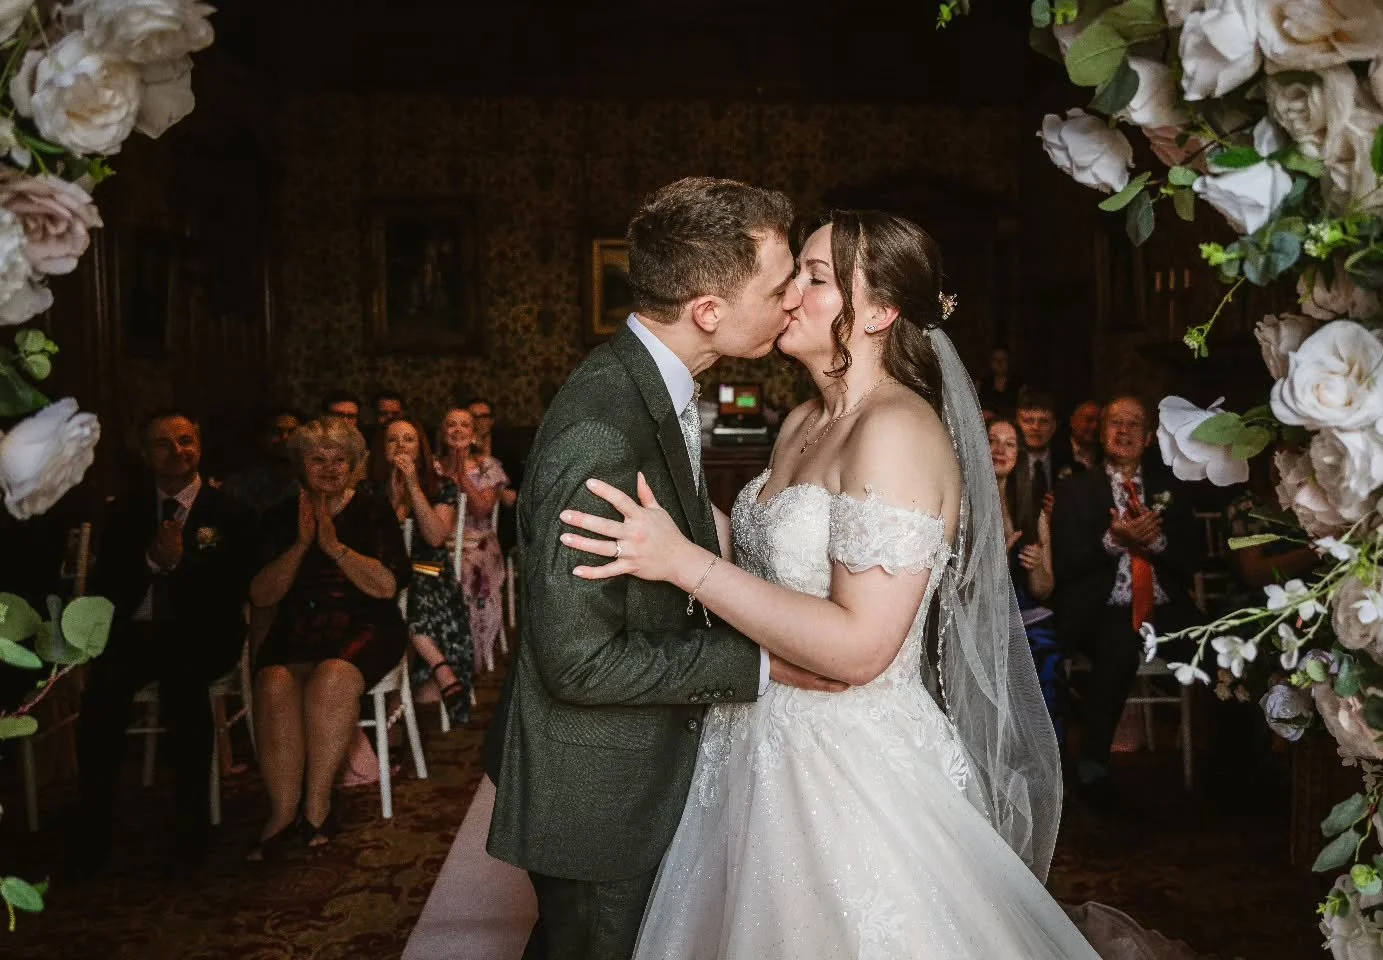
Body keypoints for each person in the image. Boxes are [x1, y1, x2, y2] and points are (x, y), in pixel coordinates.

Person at [559, 212, 1124, 957]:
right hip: (755, 738)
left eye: (816, 278)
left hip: (846, 767)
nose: (789, 292)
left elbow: (861, 647)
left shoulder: (895, 430)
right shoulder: (803, 420)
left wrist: (686, 563)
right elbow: (770, 559)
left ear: (882, 311)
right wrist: (678, 514)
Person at [482, 177, 843, 960]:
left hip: (638, 771)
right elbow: (578, 660)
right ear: (708, 310)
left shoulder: (647, 388)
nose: (792, 301)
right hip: (600, 797)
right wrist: (762, 662)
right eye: (780, 286)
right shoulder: (602, 431)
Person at [72, 412, 253, 875]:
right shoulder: (124, 512)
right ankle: (91, 833)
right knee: (102, 695)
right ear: (145, 454)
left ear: (200, 446)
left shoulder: (229, 511)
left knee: (183, 686)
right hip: (138, 633)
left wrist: (180, 565)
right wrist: (151, 561)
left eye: (186, 440)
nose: (177, 451)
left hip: (204, 633)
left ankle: (192, 833)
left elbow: (232, 588)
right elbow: (106, 589)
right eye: (163, 444)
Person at [247, 416, 410, 859]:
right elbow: (260, 594)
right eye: (318, 459)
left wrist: (334, 546)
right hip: (299, 626)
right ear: (301, 464)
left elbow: (386, 587)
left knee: (332, 677)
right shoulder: (280, 517)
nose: (330, 468)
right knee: (273, 682)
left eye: (341, 459)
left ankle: (318, 806)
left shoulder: (373, 511)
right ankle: (282, 813)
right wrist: (301, 546)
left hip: (366, 624)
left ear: (356, 465)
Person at [1052, 395, 1201, 810]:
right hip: (1105, 606)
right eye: (1114, 422)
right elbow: (1064, 562)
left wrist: (1157, 542)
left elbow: (1193, 559)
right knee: (1117, 652)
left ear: (1150, 437)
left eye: (1134, 425)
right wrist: (1114, 541)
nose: (1123, 431)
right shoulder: (1075, 490)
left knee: (1216, 643)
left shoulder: (1170, 490)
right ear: (1101, 434)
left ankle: (1223, 765)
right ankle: (1093, 772)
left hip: (1165, 604)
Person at [373, 417, 473, 722]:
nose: (401, 446)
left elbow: (435, 536)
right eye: (393, 440)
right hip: (384, 576)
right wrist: (392, 495)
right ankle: (442, 670)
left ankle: (434, 671)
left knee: (415, 592)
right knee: (402, 592)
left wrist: (414, 486)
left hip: (431, 572)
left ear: (421, 447)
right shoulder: (368, 490)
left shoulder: (442, 487)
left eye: (409, 439)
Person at [992, 417, 1063, 741]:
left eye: (1009, 444)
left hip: (1025, 616)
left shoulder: (1033, 508)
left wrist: (1035, 566)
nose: (1000, 450)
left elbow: (1043, 589)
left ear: (1019, 454)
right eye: (993, 440)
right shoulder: (960, 503)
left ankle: (1046, 765)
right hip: (980, 618)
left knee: (1045, 651)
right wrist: (992, 562)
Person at [436, 405, 512, 673]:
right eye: (451, 424)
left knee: (467, 570)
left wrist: (460, 475)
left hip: (478, 543)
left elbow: (483, 509)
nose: (457, 430)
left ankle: (467, 653)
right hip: (440, 543)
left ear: (473, 432)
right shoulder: (433, 466)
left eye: (464, 425)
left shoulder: (486, 465)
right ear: (442, 432)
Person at [223, 406, 304, 515]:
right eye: (276, 432)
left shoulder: (315, 482)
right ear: (263, 439)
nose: (285, 438)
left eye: (293, 432)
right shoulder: (239, 485)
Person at [978, 345, 1020, 420]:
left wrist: (996, 415)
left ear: (1009, 361)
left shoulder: (1019, 385)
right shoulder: (982, 384)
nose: (999, 363)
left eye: (1003, 359)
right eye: (995, 359)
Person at [1067, 399, 1102, 476]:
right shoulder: (1055, 454)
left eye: (1099, 422)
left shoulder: (1106, 456)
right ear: (1073, 421)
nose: (1095, 426)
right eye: (1089, 420)